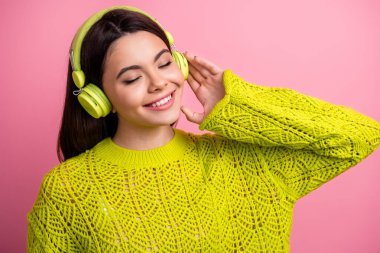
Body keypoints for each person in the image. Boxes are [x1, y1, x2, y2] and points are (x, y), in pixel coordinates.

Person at [27, 6, 380, 253]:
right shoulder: (68, 191)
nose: (159, 84)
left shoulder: (243, 161)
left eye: (165, 63)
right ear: (97, 98)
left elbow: (360, 135)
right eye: (133, 77)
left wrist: (239, 102)